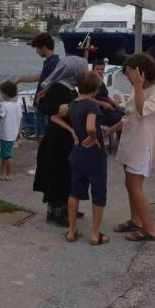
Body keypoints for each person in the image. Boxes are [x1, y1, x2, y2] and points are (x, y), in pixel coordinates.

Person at [106, 53, 155, 242]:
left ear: (140, 73)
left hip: (143, 144)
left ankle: (151, 229)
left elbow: (141, 111)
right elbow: (129, 117)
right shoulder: (138, 90)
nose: (128, 78)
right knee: (129, 184)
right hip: (131, 141)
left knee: (135, 186)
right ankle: (136, 220)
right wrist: (109, 131)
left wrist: (138, 86)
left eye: (130, 74)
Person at [33, 55, 89, 227]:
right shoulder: (58, 87)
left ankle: (66, 207)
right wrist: (58, 108)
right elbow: (43, 106)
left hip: (66, 138)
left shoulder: (70, 87)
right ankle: (55, 212)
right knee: (57, 174)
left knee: (66, 174)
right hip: (57, 139)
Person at [61, 71, 109, 245]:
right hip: (94, 155)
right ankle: (95, 234)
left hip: (78, 151)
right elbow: (90, 127)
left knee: (75, 192)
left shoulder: (73, 104)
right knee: (98, 193)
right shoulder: (91, 106)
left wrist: (76, 133)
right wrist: (93, 137)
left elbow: (61, 114)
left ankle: (71, 230)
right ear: (96, 90)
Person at [15, 33, 60, 140]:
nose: (36, 52)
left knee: (42, 138)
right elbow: (40, 77)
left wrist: (41, 93)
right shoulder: (51, 62)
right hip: (43, 106)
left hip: (45, 106)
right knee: (41, 136)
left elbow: (55, 82)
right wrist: (21, 80)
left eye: (37, 49)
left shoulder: (52, 63)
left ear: (44, 47)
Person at [0, 80, 22, 180]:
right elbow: (20, 120)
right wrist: (19, 133)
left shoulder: (4, 105)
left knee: (7, 155)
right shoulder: (18, 105)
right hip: (13, 133)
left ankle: (10, 174)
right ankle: (2, 172)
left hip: (5, 134)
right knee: (4, 154)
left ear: (4, 93)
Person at [92, 59, 125, 127]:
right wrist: (102, 103)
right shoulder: (90, 82)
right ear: (92, 70)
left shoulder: (101, 81)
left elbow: (105, 95)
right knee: (122, 119)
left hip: (107, 109)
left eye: (102, 69)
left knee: (125, 113)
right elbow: (86, 98)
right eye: (97, 69)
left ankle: (119, 136)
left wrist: (114, 103)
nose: (100, 71)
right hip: (99, 112)